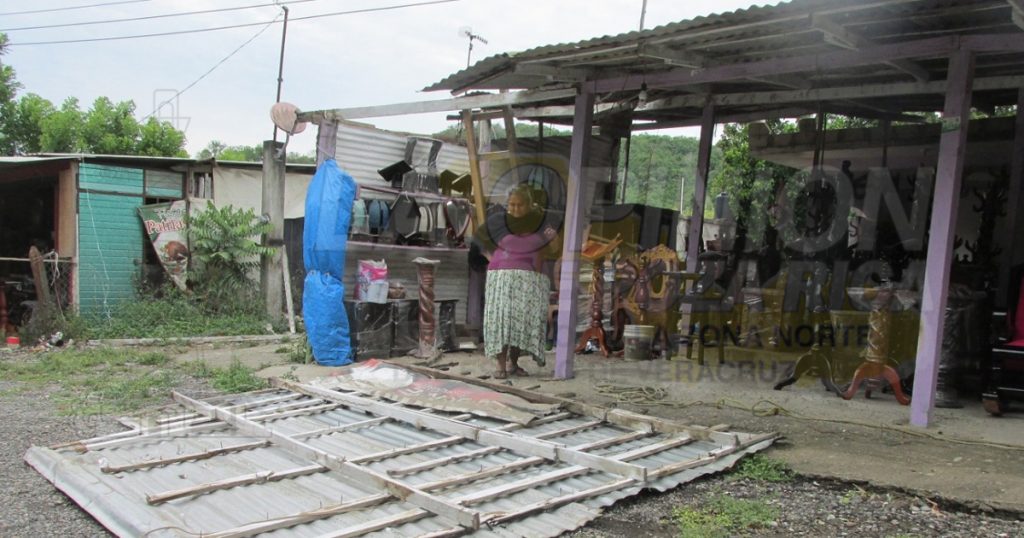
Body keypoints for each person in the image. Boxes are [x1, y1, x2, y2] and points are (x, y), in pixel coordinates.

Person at [477, 184, 558, 379]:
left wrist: (550, 236)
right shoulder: (499, 221)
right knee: (502, 320)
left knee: (520, 322)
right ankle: (500, 366)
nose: (514, 209)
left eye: (520, 205)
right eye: (511, 204)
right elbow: (480, 242)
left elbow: (553, 247)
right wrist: (494, 260)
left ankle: (513, 363)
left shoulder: (540, 222)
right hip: (502, 279)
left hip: (529, 279)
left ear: (529, 204)